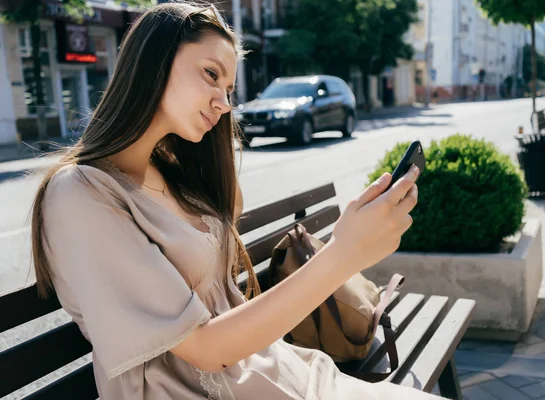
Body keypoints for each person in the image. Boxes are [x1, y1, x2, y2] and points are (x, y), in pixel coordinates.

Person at [30, 3, 440, 399]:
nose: (225, 103)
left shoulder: (169, 172)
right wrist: (344, 254)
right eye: (211, 74)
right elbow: (206, 350)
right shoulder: (79, 193)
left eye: (229, 89)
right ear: (151, 63)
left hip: (271, 370)